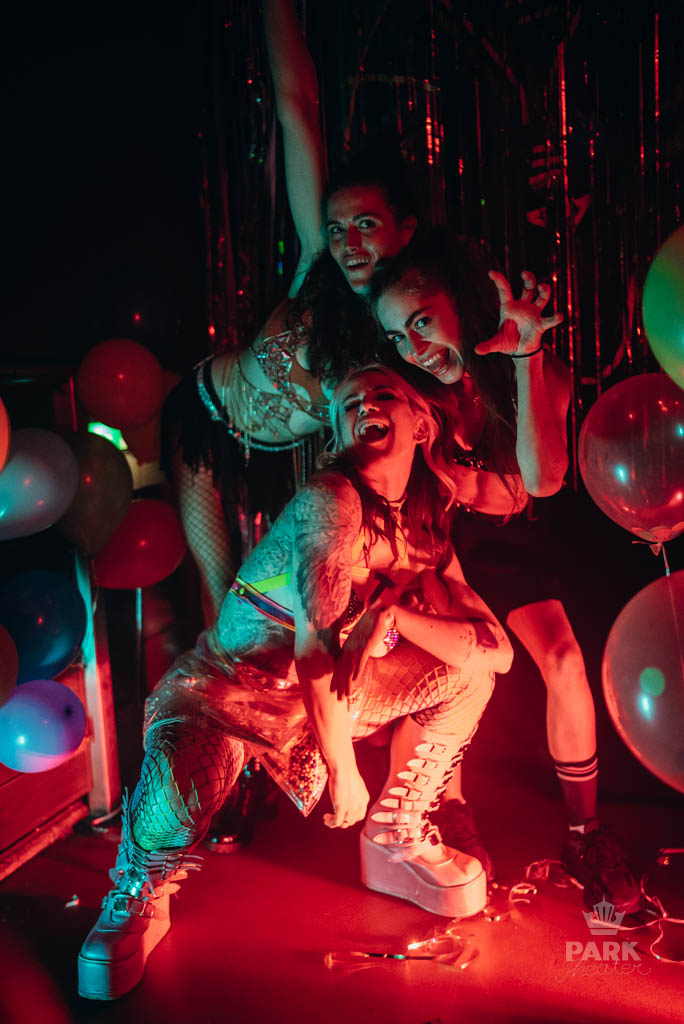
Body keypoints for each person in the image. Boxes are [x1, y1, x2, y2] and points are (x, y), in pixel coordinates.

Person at [77, 365, 514, 1001]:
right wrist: (343, 771)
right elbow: (315, 653)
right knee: (186, 793)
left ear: (422, 425)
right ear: (336, 433)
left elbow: (496, 650)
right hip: (232, 690)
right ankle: (137, 889)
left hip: (322, 698)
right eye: (349, 403)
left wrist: (396, 617)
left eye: (383, 395)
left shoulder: (424, 521)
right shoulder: (331, 502)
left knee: (468, 675)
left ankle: (395, 836)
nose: (365, 405)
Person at [161, 0, 419, 848]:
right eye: (339, 227)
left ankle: (263, 762)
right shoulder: (316, 267)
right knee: (219, 588)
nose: (347, 241)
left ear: (405, 233)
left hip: (276, 463)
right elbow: (297, 104)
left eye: (366, 226)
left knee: (266, 614)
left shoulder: (398, 337)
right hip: (206, 421)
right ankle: (217, 781)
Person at [369, 227, 643, 914]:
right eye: (398, 335)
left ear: (462, 304)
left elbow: (543, 481)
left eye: (422, 322)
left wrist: (525, 357)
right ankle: (448, 810)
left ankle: (584, 835)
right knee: (453, 670)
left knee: (565, 660)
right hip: (444, 545)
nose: (413, 347)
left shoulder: (540, 369)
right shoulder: (412, 393)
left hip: (518, 541)